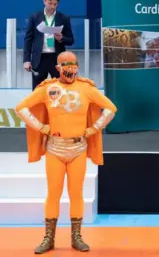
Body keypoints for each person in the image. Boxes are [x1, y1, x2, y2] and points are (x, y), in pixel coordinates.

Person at [15, 51, 117, 254]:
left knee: (76, 193)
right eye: (65, 64)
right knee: (53, 193)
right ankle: (48, 238)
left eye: (73, 64)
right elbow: (21, 107)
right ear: (57, 67)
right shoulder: (47, 88)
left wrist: (93, 129)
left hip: (78, 148)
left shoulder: (86, 88)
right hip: (55, 148)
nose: (70, 69)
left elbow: (111, 108)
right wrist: (41, 128)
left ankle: (76, 237)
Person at [23, 0, 74, 90]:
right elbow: (28, 39)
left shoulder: (64, 18)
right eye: (50, 3)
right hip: (39, 59)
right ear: (44, 1)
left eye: (55, 4)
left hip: (57, 59)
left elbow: (71, 40)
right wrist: (26, 60)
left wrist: (61, 38)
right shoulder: (35, 17)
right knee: (38, 90)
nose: (53, 6)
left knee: (60, 89)